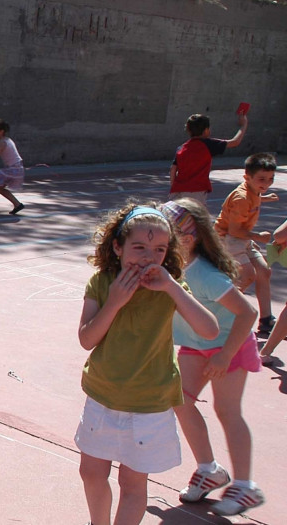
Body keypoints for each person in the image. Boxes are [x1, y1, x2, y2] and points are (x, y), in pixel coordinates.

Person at [74, 202, 218, 525]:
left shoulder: (169, 288)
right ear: (117, 246)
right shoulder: (101, 281)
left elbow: (209, 329)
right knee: (91, 472)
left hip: (150, 404)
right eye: (138, 247)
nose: (148, 257)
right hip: (103, 397)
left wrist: (170, 286)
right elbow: (86, 339)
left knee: (133, 483)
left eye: (159, 249)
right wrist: (114, 301)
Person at [159, 199, 266, 517]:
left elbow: (248, 312)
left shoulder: (203, 273)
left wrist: (225, 356)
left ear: (187, 238)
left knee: (227, 411)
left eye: (162, 234)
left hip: (229, 345)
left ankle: (245, 487)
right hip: (196, 343)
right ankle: (210, 470)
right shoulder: (171, 268)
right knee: (179, 399)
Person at [213, 153, 278, 335]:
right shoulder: (241, 198)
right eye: (262, 179)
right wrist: (258, 236)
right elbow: (234, 231)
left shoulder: (254, 191)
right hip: (228, 238)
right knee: (247, 275)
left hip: (242, 238)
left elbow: (253, 198)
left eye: (271, 179)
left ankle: (266, 320)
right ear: (247, 177)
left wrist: (264, 198)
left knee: (264, 271)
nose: (266, 183)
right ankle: (221, 313)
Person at [169, 112, 249, 204]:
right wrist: (244, 125)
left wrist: (174, 185)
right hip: (196, 190)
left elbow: (173, 169)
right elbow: (235, 142)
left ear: (188, 130)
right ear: (206, 130)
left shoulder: (181, 148)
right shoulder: (208, 144)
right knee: (194, 216)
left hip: (177, 190)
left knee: (176, 215)